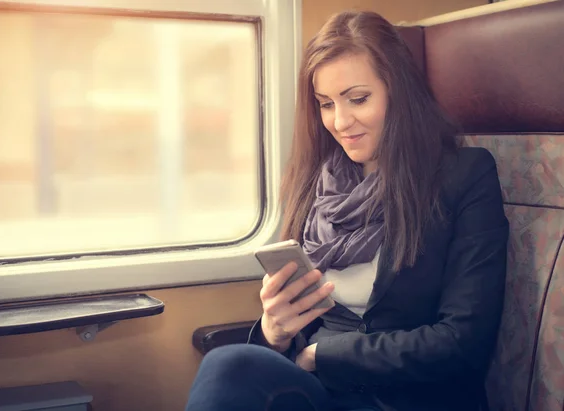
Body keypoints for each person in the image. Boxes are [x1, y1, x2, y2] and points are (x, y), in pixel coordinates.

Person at [185, 10, 509, 411]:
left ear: (399, 92)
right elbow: (295, 334)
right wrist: (275, 331)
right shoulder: (316, 183)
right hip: (326, 392)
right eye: (325, 104)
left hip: (412, 397)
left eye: (358, 99)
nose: (339, 122)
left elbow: (463, 341)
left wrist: (323, 356)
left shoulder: (464, 175)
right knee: (229, 364)